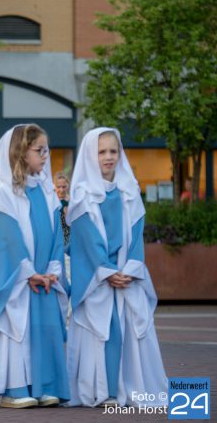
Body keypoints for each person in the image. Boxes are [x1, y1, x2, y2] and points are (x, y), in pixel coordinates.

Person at [65, 128, 167, 408]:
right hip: (97, 279)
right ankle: (104, 390)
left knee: (132, 329)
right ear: (90, 156)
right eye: (102, 152)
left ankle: (132, 386)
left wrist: (130, 269)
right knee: (106, 330)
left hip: (126, 275)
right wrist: (107, 271)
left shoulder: (129, 191)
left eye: (113, 151)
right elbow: (87, 239)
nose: (108, 157)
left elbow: (136, 234)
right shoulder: (83, 196)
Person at [0, 124, 69, 408]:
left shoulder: (46, 191)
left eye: (47, 150)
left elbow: (56, 233)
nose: (45, 156)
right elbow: (7, 239)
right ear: (21, 152)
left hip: (45, 276)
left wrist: (53, 269)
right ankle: (15, 389)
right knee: (18, 331)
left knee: (44, 329)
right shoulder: (4, 192)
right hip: (20, 279)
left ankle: (45, 386)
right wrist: (28, 272)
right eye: (39, 150)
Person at [55, 172, 71, 249]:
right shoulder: (51, 203)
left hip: (70, 241)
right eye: (58, 187)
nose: (61, 190)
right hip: (56, 242)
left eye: (64, 187)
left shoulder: (73, 201)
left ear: (68, 185)